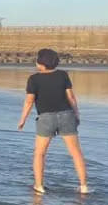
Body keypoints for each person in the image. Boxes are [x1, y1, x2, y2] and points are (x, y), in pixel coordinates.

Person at [17, 48, 89, 194]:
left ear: (41, 63)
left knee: (40, 153)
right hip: (66, 115)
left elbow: (29, 101)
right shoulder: (63, 75)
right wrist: (76, 114)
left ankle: (39, 185)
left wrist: (22, 119)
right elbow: (71, 97)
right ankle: (83, 186)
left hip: (46, 118)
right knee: (76, 152)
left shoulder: (34, 79)